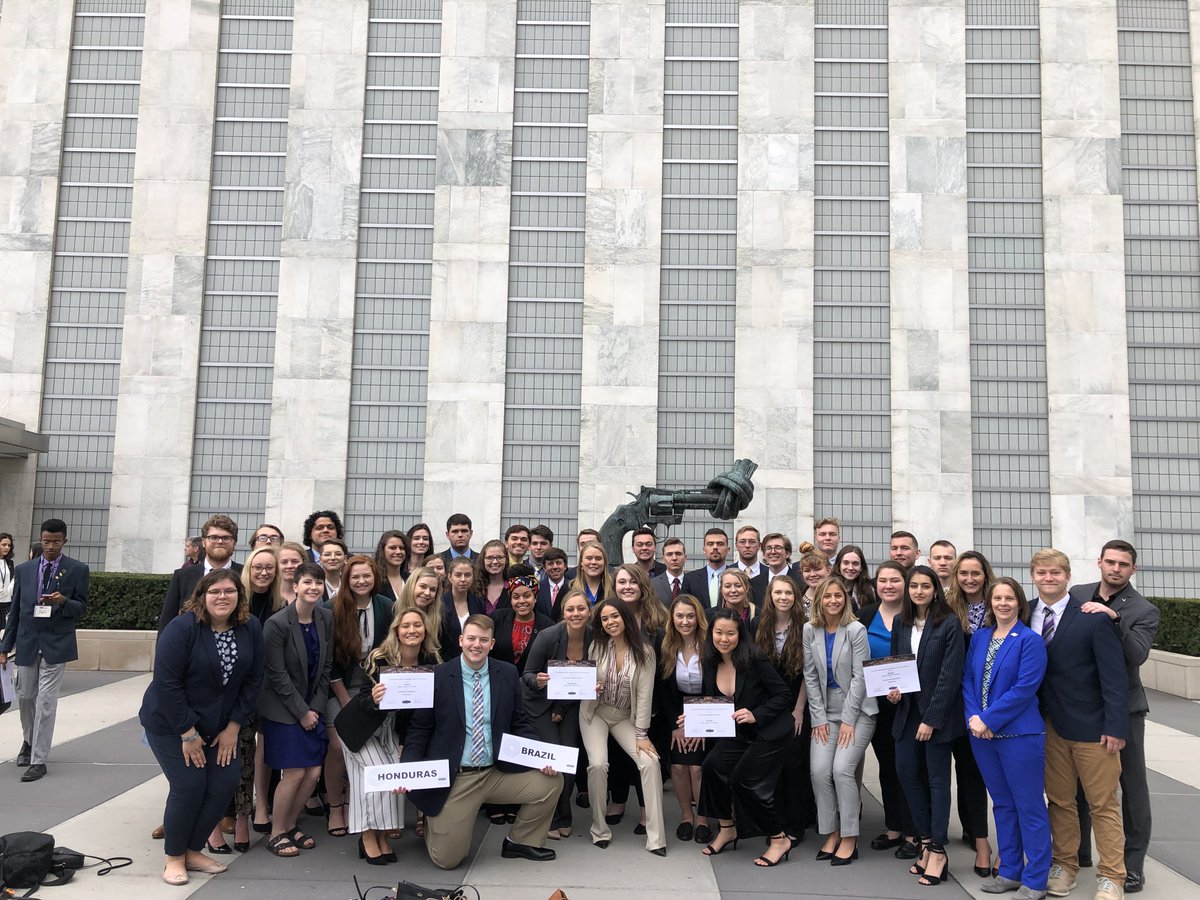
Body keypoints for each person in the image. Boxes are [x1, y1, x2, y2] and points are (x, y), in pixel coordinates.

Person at [398, 615, 561, 869]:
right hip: (457, 777)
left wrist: (540, 758)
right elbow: (419, 730)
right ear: (461, 641)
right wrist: (407, 770)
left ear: (492, 643)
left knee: (551, 781)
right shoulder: (438, 676)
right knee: (448, 861)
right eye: (471, 638)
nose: (477, 645)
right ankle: (436, 821)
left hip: (495, 771)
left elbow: (520, 723)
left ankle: (520, 841)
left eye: (483, 640)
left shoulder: (507, 674)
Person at [139, 569, 265, 885]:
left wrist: (234, 726)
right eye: (215, 591)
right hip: (171, 723)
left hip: (221, 726)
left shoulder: (250, 627)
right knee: (189, 786)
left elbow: (253, 681)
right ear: (202, 596)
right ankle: (174, 857)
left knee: (224, 783)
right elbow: (167, 684)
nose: (222, 597)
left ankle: (193, 850)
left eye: (230, 591)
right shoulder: (182, 629)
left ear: (240, 596)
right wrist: (188, 733)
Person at [1030, 549, 1128, 900]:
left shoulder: (1092, 617)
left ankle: (1112, 876)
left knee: (1103, 804)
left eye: (1056, 572)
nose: (1049, 578)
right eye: (1042, 572)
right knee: (1059, 801)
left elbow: (1114, 678)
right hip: (1048, 726)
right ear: (1033, 576)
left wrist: (1116, 726)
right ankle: (1065, 866)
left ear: (1067, 576)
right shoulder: (1025, 613)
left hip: (1093, 729)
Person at [1070, 540, 1159, 895]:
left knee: (1132, 787)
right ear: (1099, 563)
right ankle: (1079, 853)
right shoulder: (1076, 594)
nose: (1116, 568)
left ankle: (1132, 865)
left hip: (1125, 709)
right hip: (1081, 705)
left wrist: (1114, 619)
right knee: (1078, 784)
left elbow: (1136, 656)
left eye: (1123, 564)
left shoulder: (1143, 609)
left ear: (1132, 569)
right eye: (1111, 562)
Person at [965, 577, 1051, 900]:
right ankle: (1011, 870)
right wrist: (975, 719)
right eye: (997, 598)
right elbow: (968, 681)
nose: (1002, 603)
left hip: (1019, 735)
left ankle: (1036, 878)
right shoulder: (980, 637)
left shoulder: (1030, 641)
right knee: (1002, 804)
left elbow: (1024, 689)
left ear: (1019, 603)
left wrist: (988, 719)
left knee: (1029, 806)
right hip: (982, 737)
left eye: (1009, 598)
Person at [335, 607, 441, 863]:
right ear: (396, 630)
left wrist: (406, 743)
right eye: (406, 626)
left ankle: (382, 836)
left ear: (425, 630)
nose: (411, 630)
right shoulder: (380, 657)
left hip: (392, 731)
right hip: (360, 729)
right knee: (381, 774)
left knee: (395, 773)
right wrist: (373, 698)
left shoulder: (431, 662)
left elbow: (423, 712)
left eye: (417, 625)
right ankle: (368, 837)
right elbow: (360, 700)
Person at [885, 565, 966, 886]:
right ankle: (923, 839)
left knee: (936, 782)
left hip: (937, 717)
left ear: (936, 590)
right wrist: (892, 691)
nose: (919, 591)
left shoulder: (948, 624)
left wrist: (931, 720)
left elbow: (950, 676)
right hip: (906, 714)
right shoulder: (900, 623)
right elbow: (896, 667)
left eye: (926, 586)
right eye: (914, 586)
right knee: (907, 775)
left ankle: (937, 850)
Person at [695, 608, 794, 867]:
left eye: (730, 633)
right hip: (738, 733)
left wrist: (756, 714)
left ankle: (779, 838)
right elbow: (712, 701)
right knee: (711, 767)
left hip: (770, 731)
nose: (724, 638)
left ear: (740, 635)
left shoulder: (755, 659)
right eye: (718, 632)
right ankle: (727, 828)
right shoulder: (708, 661)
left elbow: (783, 695)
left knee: (744, 780)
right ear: (711, 634)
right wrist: (691, 718)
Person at [1, 518, 90, 781]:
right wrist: (5, 647)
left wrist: (64, 602)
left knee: (46, 701)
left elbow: (82, 607)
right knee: (26, 697)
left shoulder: (77, 569)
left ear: (65, 541)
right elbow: (15, 610)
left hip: (57, 641)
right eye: (46, 541)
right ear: (40, 540)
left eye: (56, 541)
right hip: (28, 641)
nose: (50, 546)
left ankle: (39, 759)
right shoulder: (26, 570)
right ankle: (29, 741)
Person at [257, 561, 334, 857]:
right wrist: (302, 713)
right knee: (293, 772)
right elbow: (276, 675)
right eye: (308, 582)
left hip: (312, 707)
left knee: (313, 773)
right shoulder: (276, 624)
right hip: (282, 710)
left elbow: (326, 668)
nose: (313, 587)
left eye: (318, 582)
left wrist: (314, 708)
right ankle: (276, 832)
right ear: (296, 586)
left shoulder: (326, 618)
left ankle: (289, 824)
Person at [579, 597, 666, 855]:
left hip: (625, 717)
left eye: (614, 616)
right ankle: (599, 828)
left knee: (651, 762)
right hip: (595, 713)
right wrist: (590, 688)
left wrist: (641, 734)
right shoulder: (597, 646)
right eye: (605, 619)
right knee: (597, 764)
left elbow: (645, 694)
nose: (610, 622)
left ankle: (656, 838)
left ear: (625, 617)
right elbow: (584, 682)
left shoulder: (645, 652)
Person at [804, 576, 878, 866]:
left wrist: (849, 718)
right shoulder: (810, 629)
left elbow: (861, 677)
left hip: (858, 710)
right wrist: (818, 718)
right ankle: (831, 831)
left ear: (845, 599)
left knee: (842, 771)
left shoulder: (856, 630)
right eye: (827, 596)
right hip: (824, 710)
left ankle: (850, 836)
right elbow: (810, 675)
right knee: (820, 771)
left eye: (838, 595)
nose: (833, 600)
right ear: (819, 600)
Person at [323, 556, 394, 840]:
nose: (361, 581)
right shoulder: (331, 609)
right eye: (355, 577)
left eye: (366, 576)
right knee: (338, 748)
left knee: (366, 745)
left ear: (374, 577)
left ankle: (358, 804)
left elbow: (390, 651)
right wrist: (345, 701)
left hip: (371, 688)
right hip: (339, 687)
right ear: (345, 579)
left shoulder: (385, 606)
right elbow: (330, 662)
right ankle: (335, 807)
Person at [521, 589, 594, 838]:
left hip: (570, 705)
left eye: (581, 609)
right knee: (554, 758)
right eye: (570, 609)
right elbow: (527, 674)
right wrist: (538, 681)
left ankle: (564, 815)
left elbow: (586, 680)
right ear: (563, 613)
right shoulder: (548, 636)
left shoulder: (595, 638)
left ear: (589, 611)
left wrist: (562, 709)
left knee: (570, 759)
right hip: (539, 703)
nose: (576, 614)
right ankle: (553, 818)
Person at [857, 561, 916, 858]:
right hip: (876, 705)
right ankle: (894, 827)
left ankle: (914, 831)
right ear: (875, 584)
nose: (889, 585)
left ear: (905, 583)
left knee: (910, 768)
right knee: (887, 767)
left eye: (895, 580)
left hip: (910, 705)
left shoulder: (915, 615)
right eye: (883, 580)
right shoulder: (865, 615)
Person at [945, 550, 996, 872]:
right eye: (963, 573)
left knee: (973, 774)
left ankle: (977, 834)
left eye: (975, 573)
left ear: (984, 574)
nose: (969, 579)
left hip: (984, 703)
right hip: (951, 700)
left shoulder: (997, 605)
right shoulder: (949, 607)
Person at [755, 574, 814, 844]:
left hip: (796, 705)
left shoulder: (806, 627)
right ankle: (774, 824)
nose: (783, 597)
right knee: (772, 767)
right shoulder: (758, 625)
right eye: (778, 592)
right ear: (770, 596)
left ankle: (795, 825)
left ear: (796, 597)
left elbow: (808, 673)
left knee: (794, 765)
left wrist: (799, 709)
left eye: (788, 593)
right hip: (767, 708)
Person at [656, 594, 710, 843]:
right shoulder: (665, 643)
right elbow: (665, 690)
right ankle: (686, 816)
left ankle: (703, 819)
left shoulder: (709, 644)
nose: (685, 621)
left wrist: (699, 725)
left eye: (690, 616)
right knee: (678, 765)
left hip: (708, 713)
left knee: (697, 768)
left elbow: (714, 688)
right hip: (677, 714)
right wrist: (678, 727)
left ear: (698, 617)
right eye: (680, 616)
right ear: (672, 618)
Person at [157, 515, 243, 631]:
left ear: (234, 543)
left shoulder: (245, 575)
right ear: (203, 542)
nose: (220, 542)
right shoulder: (182, 576)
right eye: (213, 537)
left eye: (226, 538)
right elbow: (167, 621)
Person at [490, 568, 553, 676]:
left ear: (535, 598)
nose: (521, 601)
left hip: (532, 688)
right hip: (500, 680)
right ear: (511, 600)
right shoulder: (498, 618)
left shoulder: (548, 625)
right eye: (516, 597)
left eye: (527, 596)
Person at [396, 566, 453, 648]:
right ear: (411, 586)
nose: (427, 593)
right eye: (423, 586)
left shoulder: (442, 616)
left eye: (433, 590)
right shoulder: (393, 611)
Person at [443, 556, 485, 655]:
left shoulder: (479, 604)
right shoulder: (440, 604)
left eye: (467, 575)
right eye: (458, 575)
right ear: (450, 577)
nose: (463, 579)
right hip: (446, 660)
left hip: (473, 658)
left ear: (473, 577)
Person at [681, 528, 729, 608]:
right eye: (710, 544)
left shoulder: (738, 577)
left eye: (720, 544)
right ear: (704, 550)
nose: (715, 547)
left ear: (728, 550)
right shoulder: (690, 579)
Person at [570, 540, 613, 607]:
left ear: (604, 563)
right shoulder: (569, 588)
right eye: (589, 558)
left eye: (598, 559)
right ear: (581, 563)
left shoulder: (614, 588)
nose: (593, 562)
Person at [474, 540, 511, 615]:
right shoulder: (474, 587)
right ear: (483, 560)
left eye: (499, 557)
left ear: (506, 560)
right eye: (489, 557)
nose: (494, 562)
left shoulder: (513, 587)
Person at [834, 545, 875, 612]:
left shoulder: (870, 590)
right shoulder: (828, 587)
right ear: (839, 565)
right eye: (846, 563)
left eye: (855, 564)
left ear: (861, 567)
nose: (850, 568)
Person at [651, 537, 688, 607]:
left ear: (685, 558)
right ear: (663, 559)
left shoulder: (693, 583)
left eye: (678, 554)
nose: (674, 558)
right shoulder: (652, 584)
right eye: (669, 554)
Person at [374, 530, 409, 601]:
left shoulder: (411, 578)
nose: (398, 552)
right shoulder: (375, 579)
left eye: (401, 548)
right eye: (392, 548)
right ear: (382, 550)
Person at [796, 550, 831, 619]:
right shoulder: (795, 599)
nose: (812, 574)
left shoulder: (843, 599)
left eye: (817, 569)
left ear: (828, 570)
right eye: (807, 570)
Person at [536, 547, 570, 618]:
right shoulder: (537, 588)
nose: (555, 567)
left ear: (565, 566)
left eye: (558, 563)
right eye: (550, 563)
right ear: (544, 568)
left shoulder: (573, 587)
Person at [276, 541, 307, 606]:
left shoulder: (311, 593)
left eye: (295, 561)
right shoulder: (268, 594)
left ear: (304, 563)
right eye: (284, 562)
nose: (289, 566)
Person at [0, 532, 14, 629]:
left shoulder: (9, 562)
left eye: (9, 545)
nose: (7, 548)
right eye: (4, 545)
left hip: (6, 601)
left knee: (5, 630)